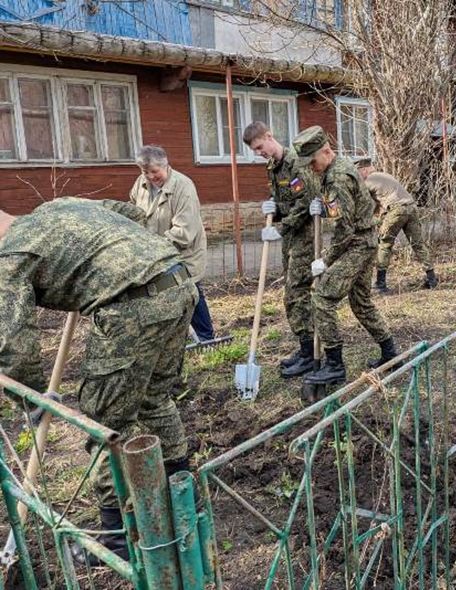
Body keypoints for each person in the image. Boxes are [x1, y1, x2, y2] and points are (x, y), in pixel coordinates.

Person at [0, 197, 198, 563]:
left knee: (103, 422)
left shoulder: (10, 257)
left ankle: (118, 535)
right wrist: (104, 261)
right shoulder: (57, 207)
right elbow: (134, 212)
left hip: (133, 307)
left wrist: (31, 402)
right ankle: (182, 497)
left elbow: (12, 344)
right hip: (179, 282)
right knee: (155, 399)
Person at [291, 126, 398, 384]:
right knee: (360, 302)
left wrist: (325, 261)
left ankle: (335, 364)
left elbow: (345, 227)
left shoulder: (338, 176)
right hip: (364, 239)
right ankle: (390, 353)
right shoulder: (334, 169)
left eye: (312, 161)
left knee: (323, 297)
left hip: (358, 243)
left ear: (326, 152)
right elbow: (347, 209)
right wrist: (324, 210)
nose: (311, 167)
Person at [243, 121, 319, 378]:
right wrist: (272, 209)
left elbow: (304, 202)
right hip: (290, 237)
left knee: (296, 293)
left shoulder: (295, 162)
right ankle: (305, 345)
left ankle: (310, 353)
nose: (258, 152)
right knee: (293, 291)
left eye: (259, 147)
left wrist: (281, 227)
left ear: (269, 136)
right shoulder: (273, 167)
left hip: (304, 235)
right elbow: (283, 200)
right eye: (254, 150)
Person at [129, 145, 214, 341]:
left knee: (190, 291)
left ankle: (206, 337)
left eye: (154, 172)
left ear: (165, 165)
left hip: (184, 253)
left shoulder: (183, 187)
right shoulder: (141, 183)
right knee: (161, 295)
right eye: (145, 172)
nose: (150, 177)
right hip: (156, 253)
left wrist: (153, 246)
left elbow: (184, 232)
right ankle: (175, 337)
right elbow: (133, 208)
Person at [355, 157, 437, 293]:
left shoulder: (369, 181)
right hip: (411, 207)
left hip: (397, 210)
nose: (357, 176)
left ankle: (380, 284)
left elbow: (363, 203)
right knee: (418, 244)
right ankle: (432, 279)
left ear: (363, 170)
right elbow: (379, 204)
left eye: (357, 172)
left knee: (384, 244)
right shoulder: (384, 175)